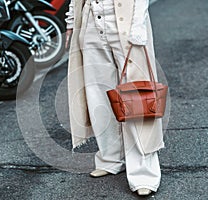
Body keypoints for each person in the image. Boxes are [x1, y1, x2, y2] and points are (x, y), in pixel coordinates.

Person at [65, 0, 164, 196]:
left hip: (126, 20)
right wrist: (71, 20)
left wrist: (138, 25)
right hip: (91, 19)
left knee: (137, 99)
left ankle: (144, 174)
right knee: (97, 94)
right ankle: (110, 158)